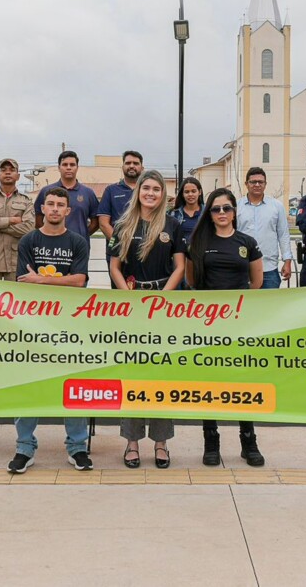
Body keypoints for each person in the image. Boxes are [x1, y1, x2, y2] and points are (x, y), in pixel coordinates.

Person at [10, 187, 94, 473]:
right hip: (33, 323)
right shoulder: (28, 240)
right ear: (42, 209)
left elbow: (80, 280)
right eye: (50, 204)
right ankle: (24, 448)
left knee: (73, 384)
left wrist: (43, 281)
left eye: (61, 204)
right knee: (30, 384)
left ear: (68, 211)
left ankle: (77, 447)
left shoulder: (78, 242)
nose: (56, 209)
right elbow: (24, 281)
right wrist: (57, 280)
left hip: (69, 324)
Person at [108, 170, 186, 468]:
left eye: (156, 189)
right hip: (131, 302)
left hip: (163, 302)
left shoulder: (173, 225)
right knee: (133, 374)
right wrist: (127, 296)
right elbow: (115, 266)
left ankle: (161, 442)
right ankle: (131, 442)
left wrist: (163, 297)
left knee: (160, 374)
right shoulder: (122, 225)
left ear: (162, 194)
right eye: (146, 188)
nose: (151, 193)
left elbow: (179, 267)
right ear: (138, 191)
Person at [186, 188, 266, 467]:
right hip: (208, 324)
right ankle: (211, 440)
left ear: (235, 211)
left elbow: (256, 283)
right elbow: (192, 281)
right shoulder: (197, 243)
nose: (222, 213)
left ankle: (248, 440)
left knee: (242, 381)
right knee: (210, 383)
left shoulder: (248, 242)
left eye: (227, 208)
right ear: (209, 213)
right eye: (216, 209)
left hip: (240, 323)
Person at [236, 167, 292, 288]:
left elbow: (283, 235)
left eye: (261, 182)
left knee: (270, 305)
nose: (257, 185)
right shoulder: (236, 207)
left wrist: (287, 261)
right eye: (253, 182)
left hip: (269, 269)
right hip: (242, 268)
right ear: (246, 184)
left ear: (265, 184)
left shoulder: (276, 206)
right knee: (244, 305)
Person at [97, 151, 144, 288]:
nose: (131, 166)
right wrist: (121, 245)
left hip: (143, 250)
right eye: (128, 163)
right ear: (122, 167)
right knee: (120, 292)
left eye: (136, 163)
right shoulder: (111, 190)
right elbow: (103, 223)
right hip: (118, 252)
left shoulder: (147, 190)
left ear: (142, 167)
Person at [33, 150, 99, 240]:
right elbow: (38, 221)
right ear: (59, 167)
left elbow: (96, 223)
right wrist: (48, 237)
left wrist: (82, 236)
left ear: (77, 167)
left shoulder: (88, 193)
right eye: (65, 165)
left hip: (79, 248)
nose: (68, 168)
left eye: (72, 165)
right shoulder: (46, 191)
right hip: (51, 246)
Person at [170, 176, 204, 247]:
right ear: (182, 194)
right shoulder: (173, 214)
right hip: (179, 254)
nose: (190, 194)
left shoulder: (208, 213)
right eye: (186, 192)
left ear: (199, 192)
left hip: (202, 255)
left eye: (193, 191)